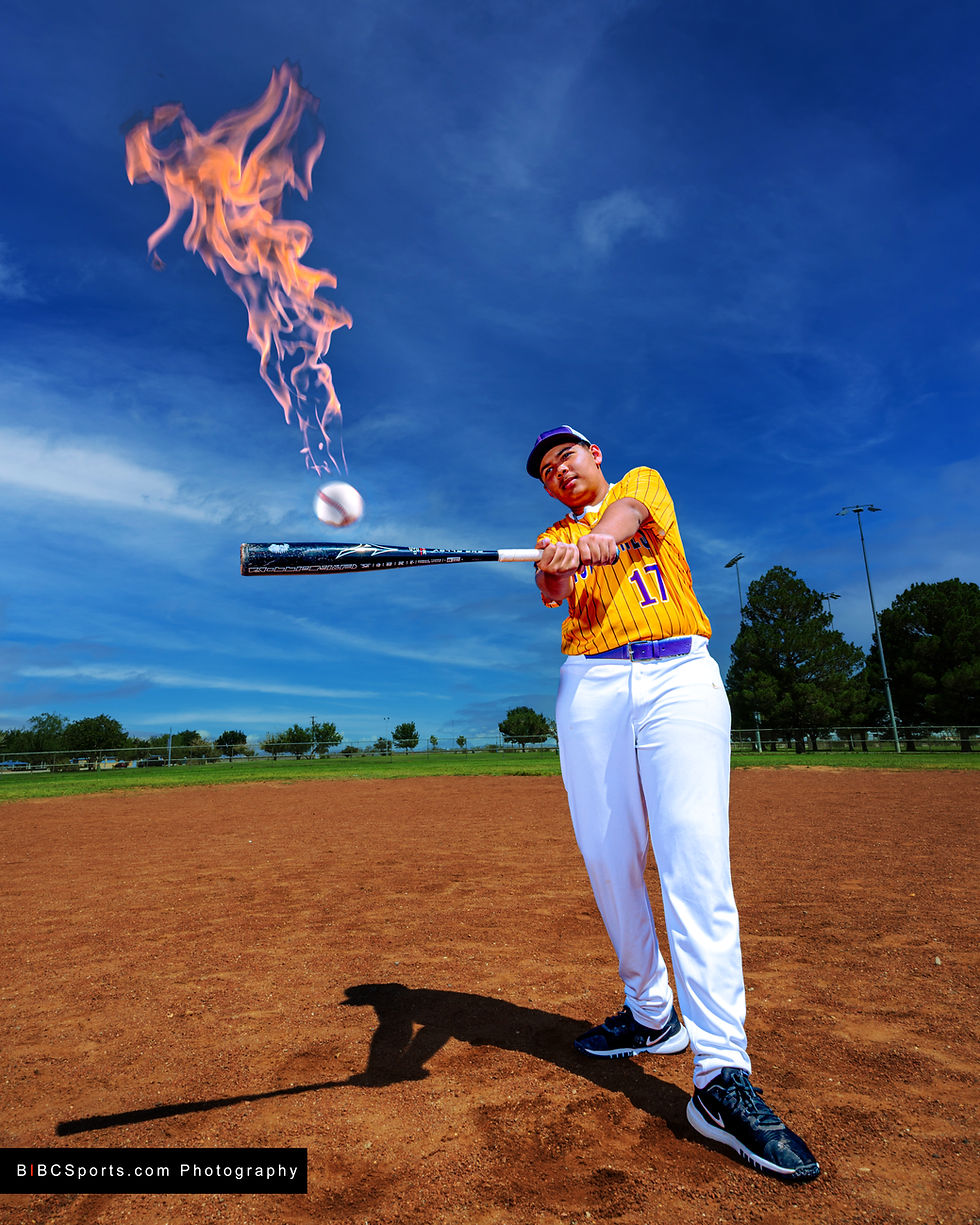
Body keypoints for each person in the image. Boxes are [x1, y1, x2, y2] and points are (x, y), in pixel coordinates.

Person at [526, 425, 819, 1182]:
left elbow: (621, 523)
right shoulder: (551, 533)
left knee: (694, 860)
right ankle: (650, 1011)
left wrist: (596, 543)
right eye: (546, 470)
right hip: (590, 685)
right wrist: (558, 564)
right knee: (608, 857)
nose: (558, 470)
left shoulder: (641, 485)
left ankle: (720, 1075)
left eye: (567, 456)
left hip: (678, 676)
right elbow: (556, 590)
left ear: (595, 455)